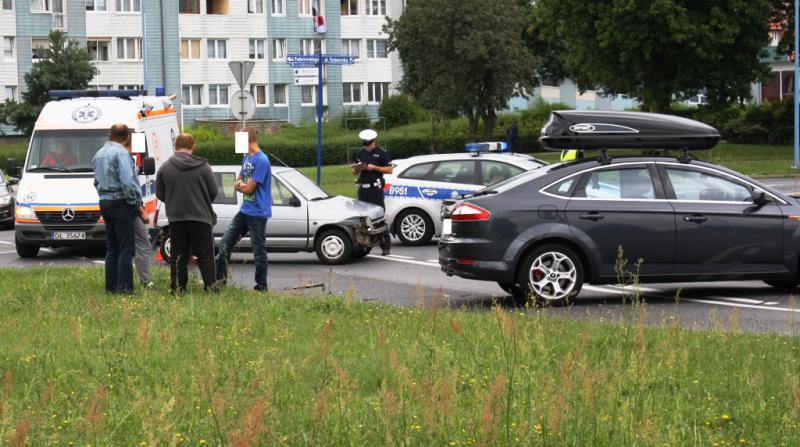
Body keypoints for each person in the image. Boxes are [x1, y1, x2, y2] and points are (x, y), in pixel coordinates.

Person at [156, 133, 219, 293]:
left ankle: (178, 287)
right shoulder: (203, 166)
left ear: (175, 147)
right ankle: (211, 287)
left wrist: (173, 201)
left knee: (178, 255)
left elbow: (160, 194)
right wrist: (202, 202)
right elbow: (213, 191)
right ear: (193, 146)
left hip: (177, 218)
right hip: (201, 217)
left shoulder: (164, 168)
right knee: (205, 255)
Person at [92, 124, 148, 294]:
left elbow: (96, 182)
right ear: (127, 137)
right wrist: (137, 205)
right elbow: (128, 184)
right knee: (125, 248)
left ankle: (111, 287)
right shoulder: (122, 154)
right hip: (121, 203)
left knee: (112, 248)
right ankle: (124, 288)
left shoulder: (98, 154)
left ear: (110, 135)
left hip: (105, 202)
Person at [215, 127, 272, 292]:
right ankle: (220, 283)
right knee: (225, 243)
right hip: (245, 210)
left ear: (248, 140)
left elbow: (249, 189)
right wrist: (242, 185)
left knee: (258, 251)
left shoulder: (262, 160)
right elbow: (239, 180)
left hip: (258, 213)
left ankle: (261, 287)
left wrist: (241, 187)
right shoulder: (246, 157)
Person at [351, 129, 392, 255]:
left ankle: (385, 246)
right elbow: (353, 171)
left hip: (375, 189)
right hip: (363, 189)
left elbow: (389, 169)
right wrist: (357, 168)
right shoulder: (360, 153)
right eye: (365, 145)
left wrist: (374, 167)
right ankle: (364, 244)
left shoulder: (381, 153)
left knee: (379, 217)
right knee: (363, 219)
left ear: (374, 142)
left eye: (369, 145)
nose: (367, 147)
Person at [122, 136, 153, 288]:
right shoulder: (126, 158)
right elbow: (130, 186)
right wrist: (140, 210)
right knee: (142, 243)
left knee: (120, 247)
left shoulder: (112, 155)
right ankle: (145, 281)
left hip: (117, 206)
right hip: (132, 207)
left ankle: (121, 283)